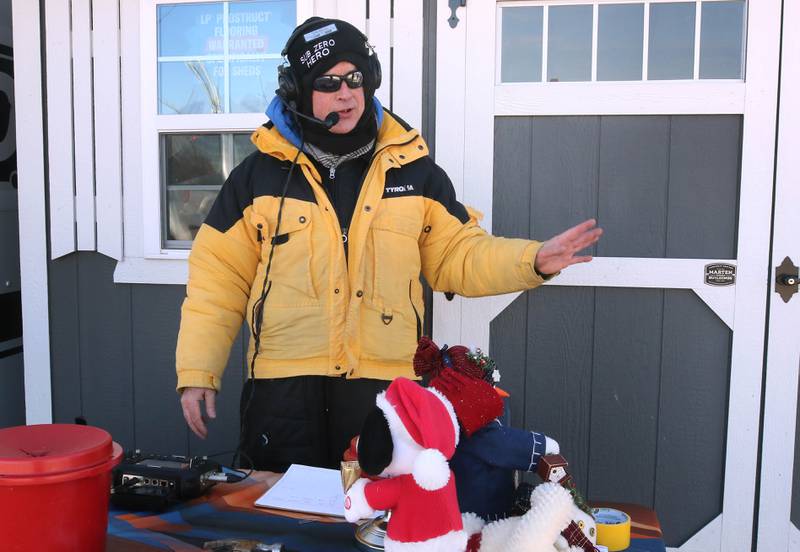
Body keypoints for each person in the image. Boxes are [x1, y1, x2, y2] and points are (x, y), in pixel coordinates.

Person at [176, 17, 602, 472]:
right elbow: (216, 284)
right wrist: (199, 371)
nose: (347, 93)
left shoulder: (414, 172)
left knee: (377, 519)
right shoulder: (255, 178)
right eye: (328, 82)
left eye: (356, 78)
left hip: (383, 390)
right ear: (297, 92)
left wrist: (532, 259)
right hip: (282, 391)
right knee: (286, 519)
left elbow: (459, 256)